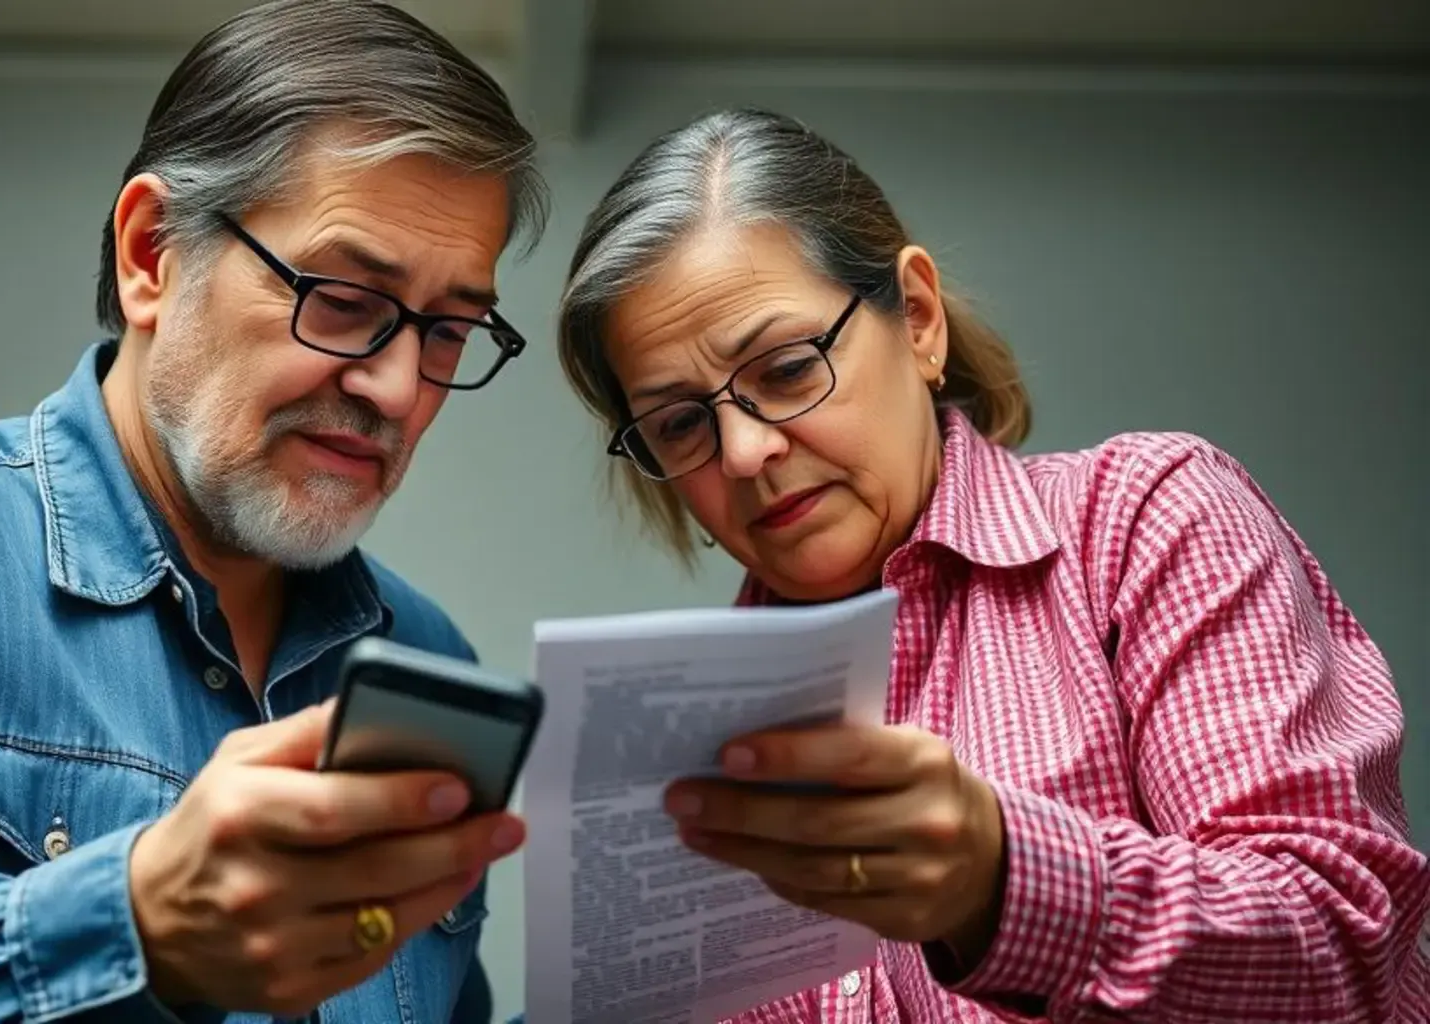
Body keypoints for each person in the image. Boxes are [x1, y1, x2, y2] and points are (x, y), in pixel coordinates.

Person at [0, 1, 547, 1020]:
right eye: (340, 297)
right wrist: (130, 926)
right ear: (151, 253)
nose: (395, 386)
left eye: (450, 331)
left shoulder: (426, 661)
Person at [555, 107, 1428, 1022]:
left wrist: (1001, 880)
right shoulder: (678, 734)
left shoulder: (1142, 522)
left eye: (784, 369)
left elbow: (1342, 944)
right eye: (681, 423)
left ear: (920, 320)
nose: (742, 452)